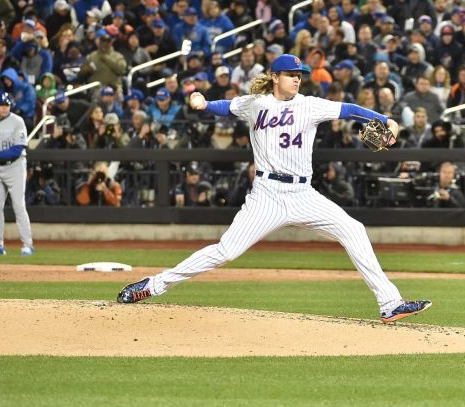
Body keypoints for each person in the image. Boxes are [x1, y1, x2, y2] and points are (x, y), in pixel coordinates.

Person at [117, 54, 432, 323]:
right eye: (291, 75)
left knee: (353, 229)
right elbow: (225, 106)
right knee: (226, 251)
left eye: (299, 76)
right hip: (266, 195)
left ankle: (390, 304)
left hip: (303, 195)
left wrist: (385, 119)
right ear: (275, 77)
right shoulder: (256, 104)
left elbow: (348, 109)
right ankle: (153, 285)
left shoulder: (309, 105)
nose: (297, 80)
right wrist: (202, 103)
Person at [0, 92, 34, 256]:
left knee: (18, 206)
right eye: (1, 105)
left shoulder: (17, 121)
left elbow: (18, 149)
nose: (4, 108)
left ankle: (28, 244)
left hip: (15, 167)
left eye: (7, 105)